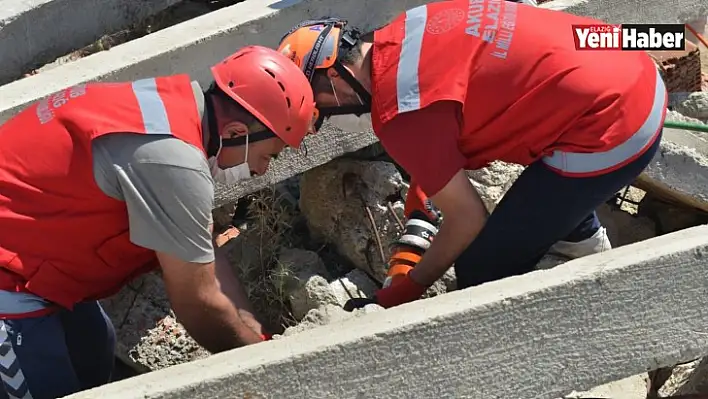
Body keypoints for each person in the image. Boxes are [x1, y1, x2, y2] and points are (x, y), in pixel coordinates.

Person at [277, 1, 666, 308]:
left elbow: (467, 218)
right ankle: (579, 244)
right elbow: (443, 130)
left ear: (332, 78)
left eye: (321, 110)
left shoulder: (398, 117)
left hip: (615, 125)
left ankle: (598, 304)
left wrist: (409, 288)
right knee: (542, 196)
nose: (329, 119)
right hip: (626, 62)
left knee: (480, 271)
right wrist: (424, 189)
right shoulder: (410, 27)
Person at [0, 45, 316, 399]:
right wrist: (265, 373)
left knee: (94, 351)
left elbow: (203, 251)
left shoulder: (171, 107)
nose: (262, 170)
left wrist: (258, 338)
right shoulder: (172, 162)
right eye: (266, 156)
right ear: (237, 132)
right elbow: (198, 303)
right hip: (10, 277)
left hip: (35, 257)